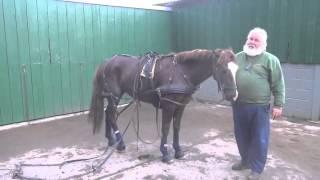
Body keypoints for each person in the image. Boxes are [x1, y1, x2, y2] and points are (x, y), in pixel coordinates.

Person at [232, 27, 285, 180]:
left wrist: (278, 104)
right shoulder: (237, 57)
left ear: (264, 44)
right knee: (241, 136)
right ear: (246, 40)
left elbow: (278, 84)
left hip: (259, 107)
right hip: (239, 105)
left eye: (256, 40)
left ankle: (257, 168)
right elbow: (228, 77)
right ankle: (245, 161)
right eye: (251, 39)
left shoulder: (270, 60)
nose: (252, 42)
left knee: (259, 138)